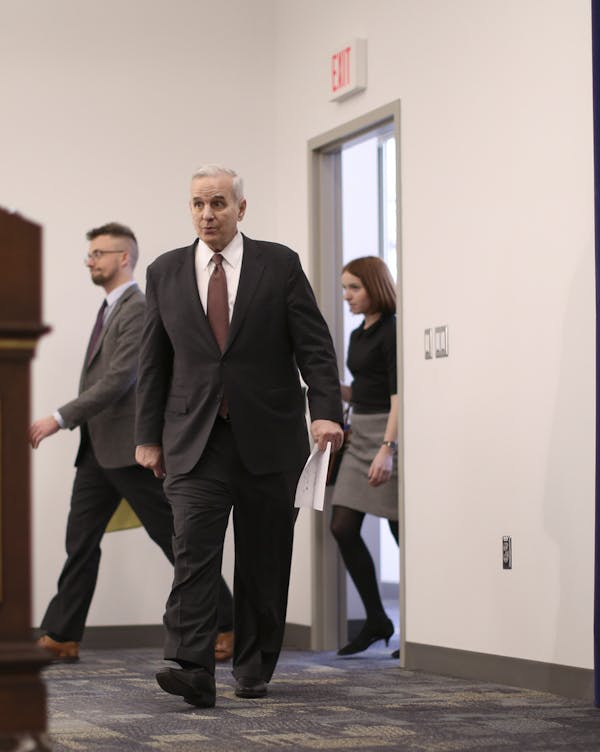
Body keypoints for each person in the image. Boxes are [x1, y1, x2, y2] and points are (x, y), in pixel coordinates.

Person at [136, 165, 343, 708]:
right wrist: (147, 436)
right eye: (199, 204)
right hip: (194, 439)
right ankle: (190, 665)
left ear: (241, 209)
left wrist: (325, 411)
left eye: (219, 203)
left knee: (264, 561)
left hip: (270, 439)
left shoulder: (279, 264)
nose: (208, 213)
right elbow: (153, 360)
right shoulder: (165, 272)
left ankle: (252, 667)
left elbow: (315, 347)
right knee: (193, 554)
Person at [30, 222, 234, 664]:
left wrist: (59, 418)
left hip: (130, 449)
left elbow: (121, 378)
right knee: (80, 542)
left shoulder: (137, 307)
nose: (90, 260)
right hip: (97, 452)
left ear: (124, 258)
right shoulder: (109, 308)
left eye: (99, 253)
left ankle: (227, 623)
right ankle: (63, 635)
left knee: (174, 539)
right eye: (90, 254)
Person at [330, 256, 400, 657]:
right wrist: (329, 387)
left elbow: (398, 395)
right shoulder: (359, 335)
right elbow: (364, 390)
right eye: (344, 288)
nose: (347, 296)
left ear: (375, 286)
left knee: (399, 533)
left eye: (354, 288)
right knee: (342, 526)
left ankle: (421, 626)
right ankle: (377, 619)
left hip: (388, 436)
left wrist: (388, 450)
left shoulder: (392, 331)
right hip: (361, 438)